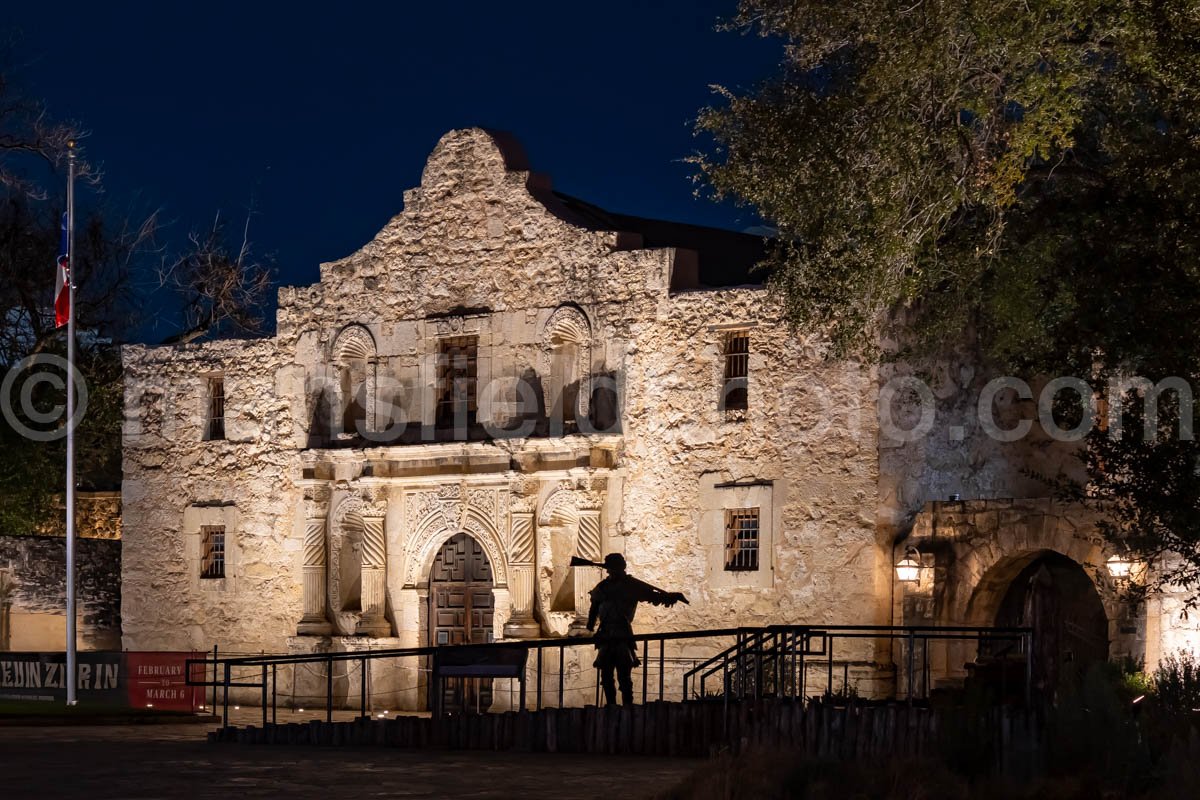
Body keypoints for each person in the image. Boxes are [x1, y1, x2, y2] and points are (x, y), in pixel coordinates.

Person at [586, 553, 686, 706]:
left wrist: (670, 597)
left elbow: (653, 597)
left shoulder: (630, 586)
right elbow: (594, 608)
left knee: (623, 674)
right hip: (605, 634)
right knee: (606, 675)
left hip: (622, 633)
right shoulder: (603, 587)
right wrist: (589, 627)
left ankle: (627, 705)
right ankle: (611, 704)